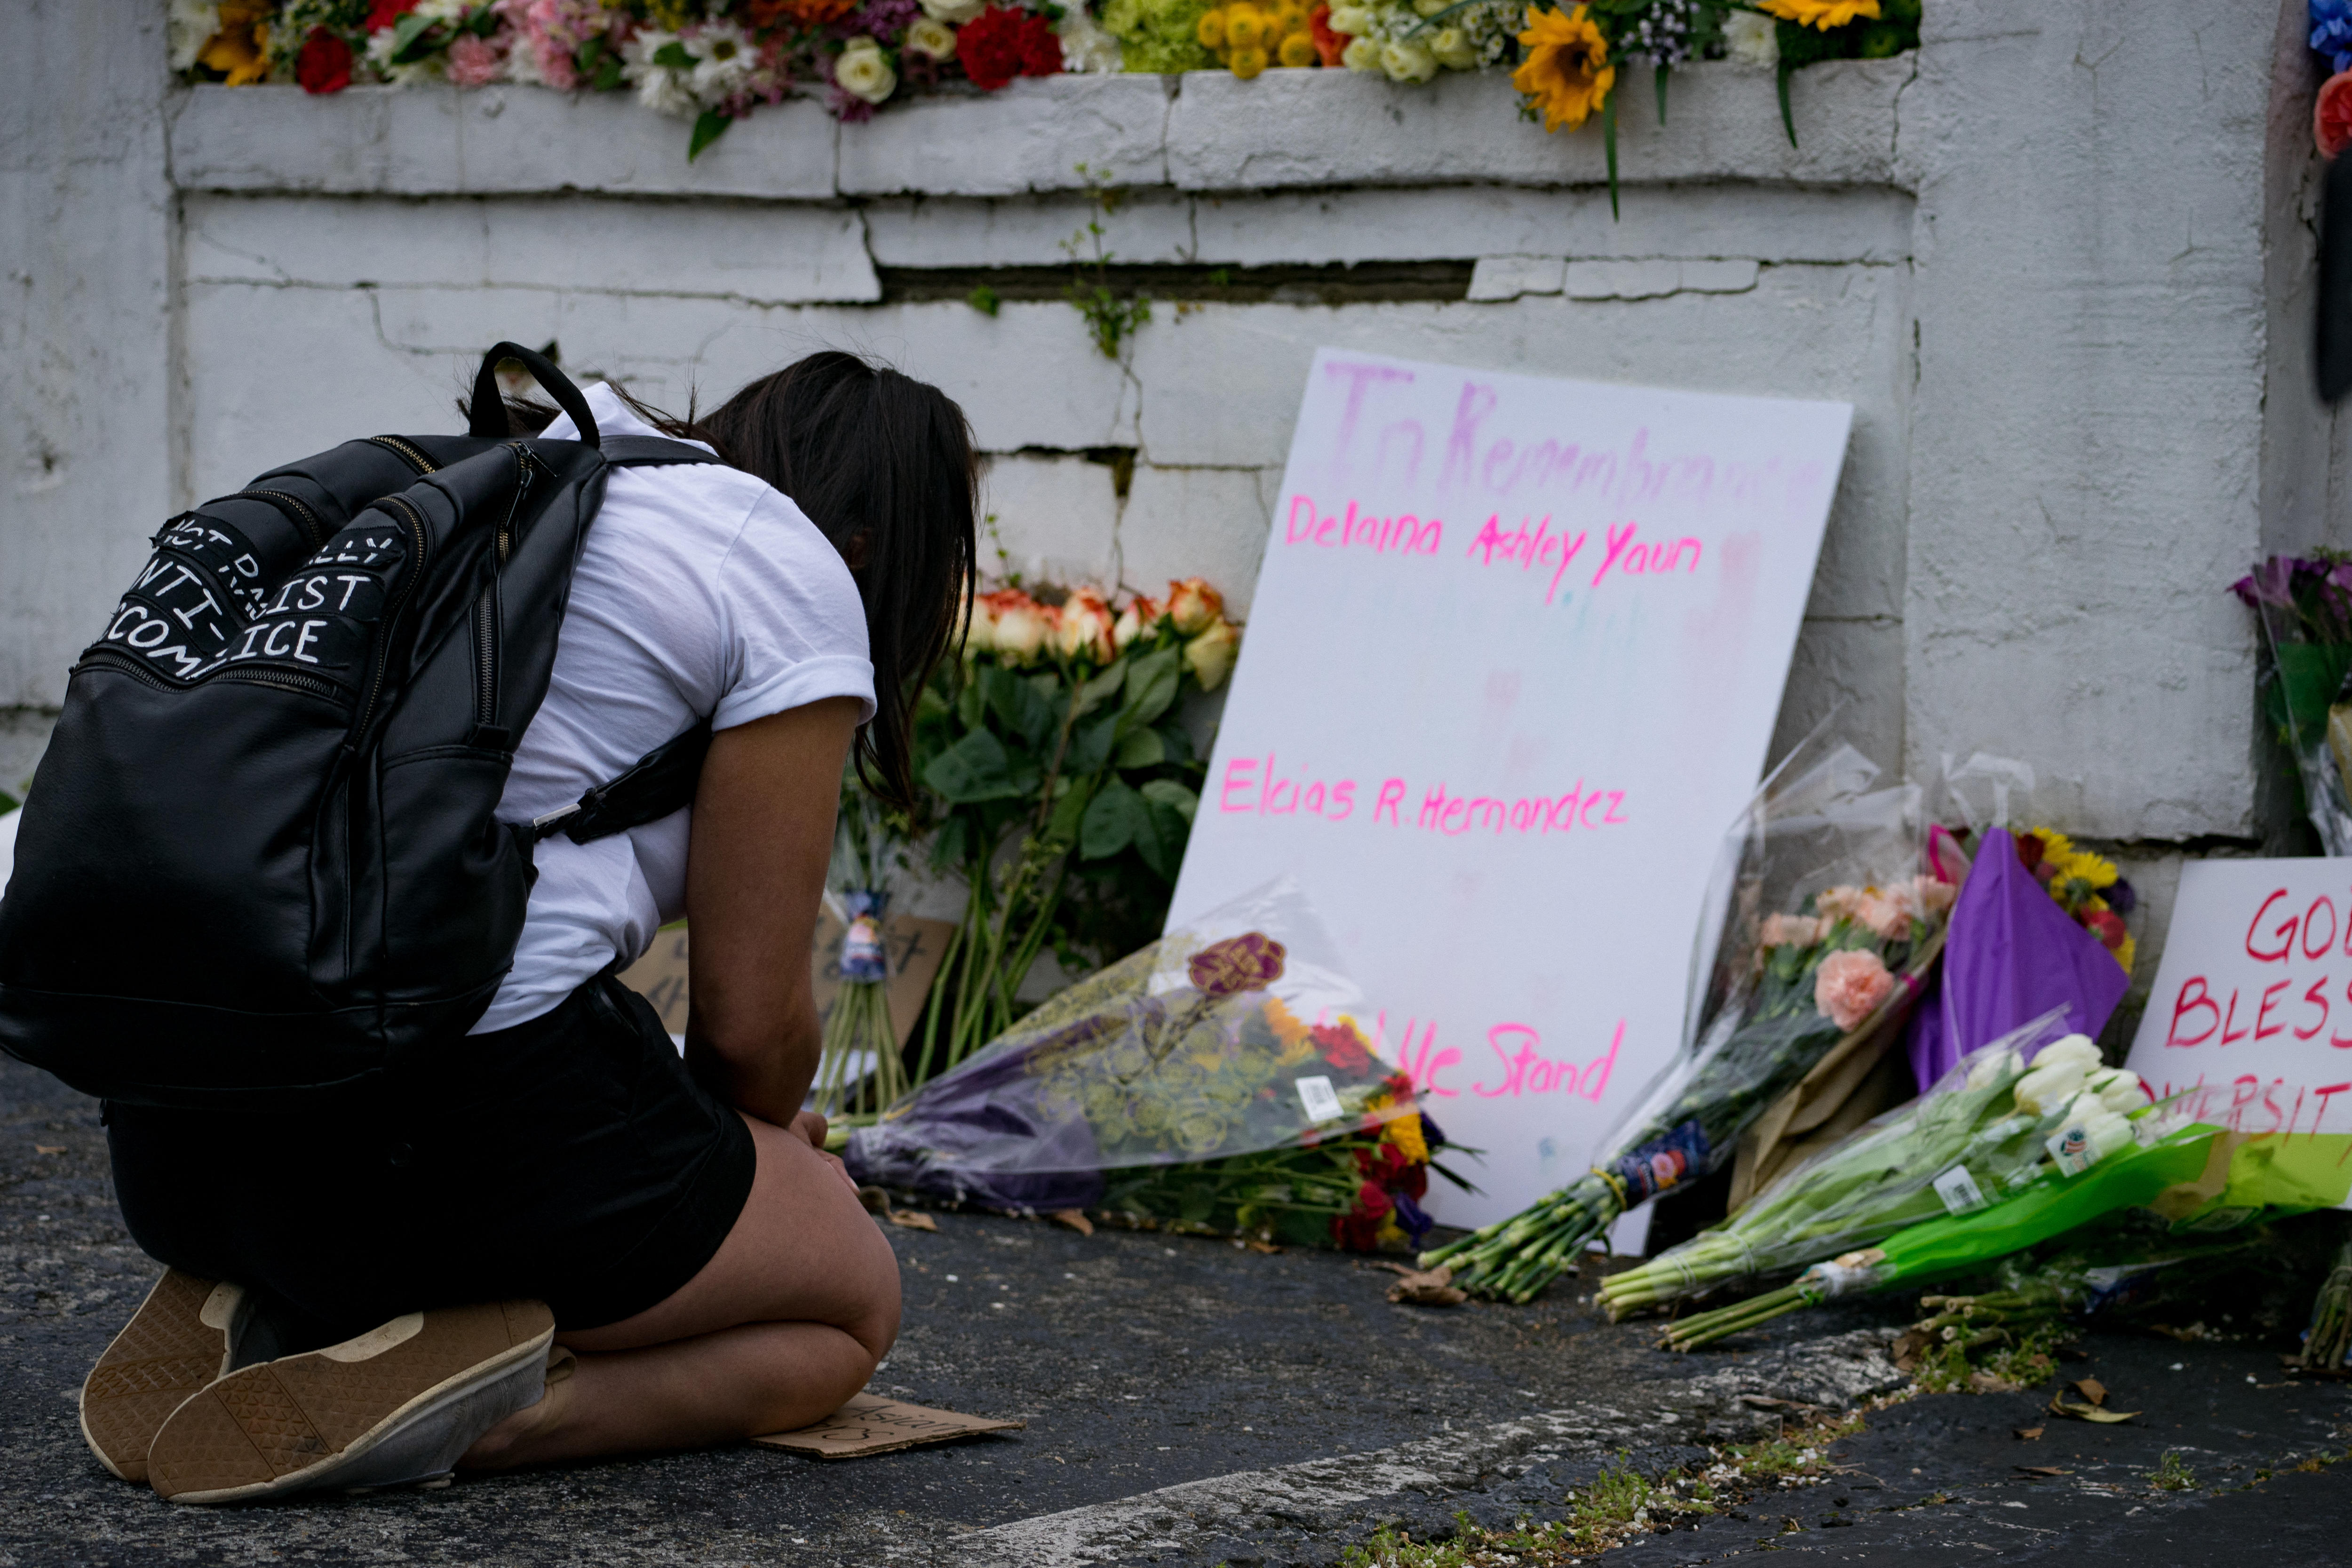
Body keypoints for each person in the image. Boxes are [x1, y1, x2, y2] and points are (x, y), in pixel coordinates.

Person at [78, 352, 977, 1502]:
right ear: (872, 546)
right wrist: (770, 1169)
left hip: (173, 1121)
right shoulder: (784, 565)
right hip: (434, 1118)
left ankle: (274, 1283)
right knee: (848, 1303)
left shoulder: (524, 474)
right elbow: (752, 1028)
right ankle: (493, 1407)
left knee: (558, 1107)